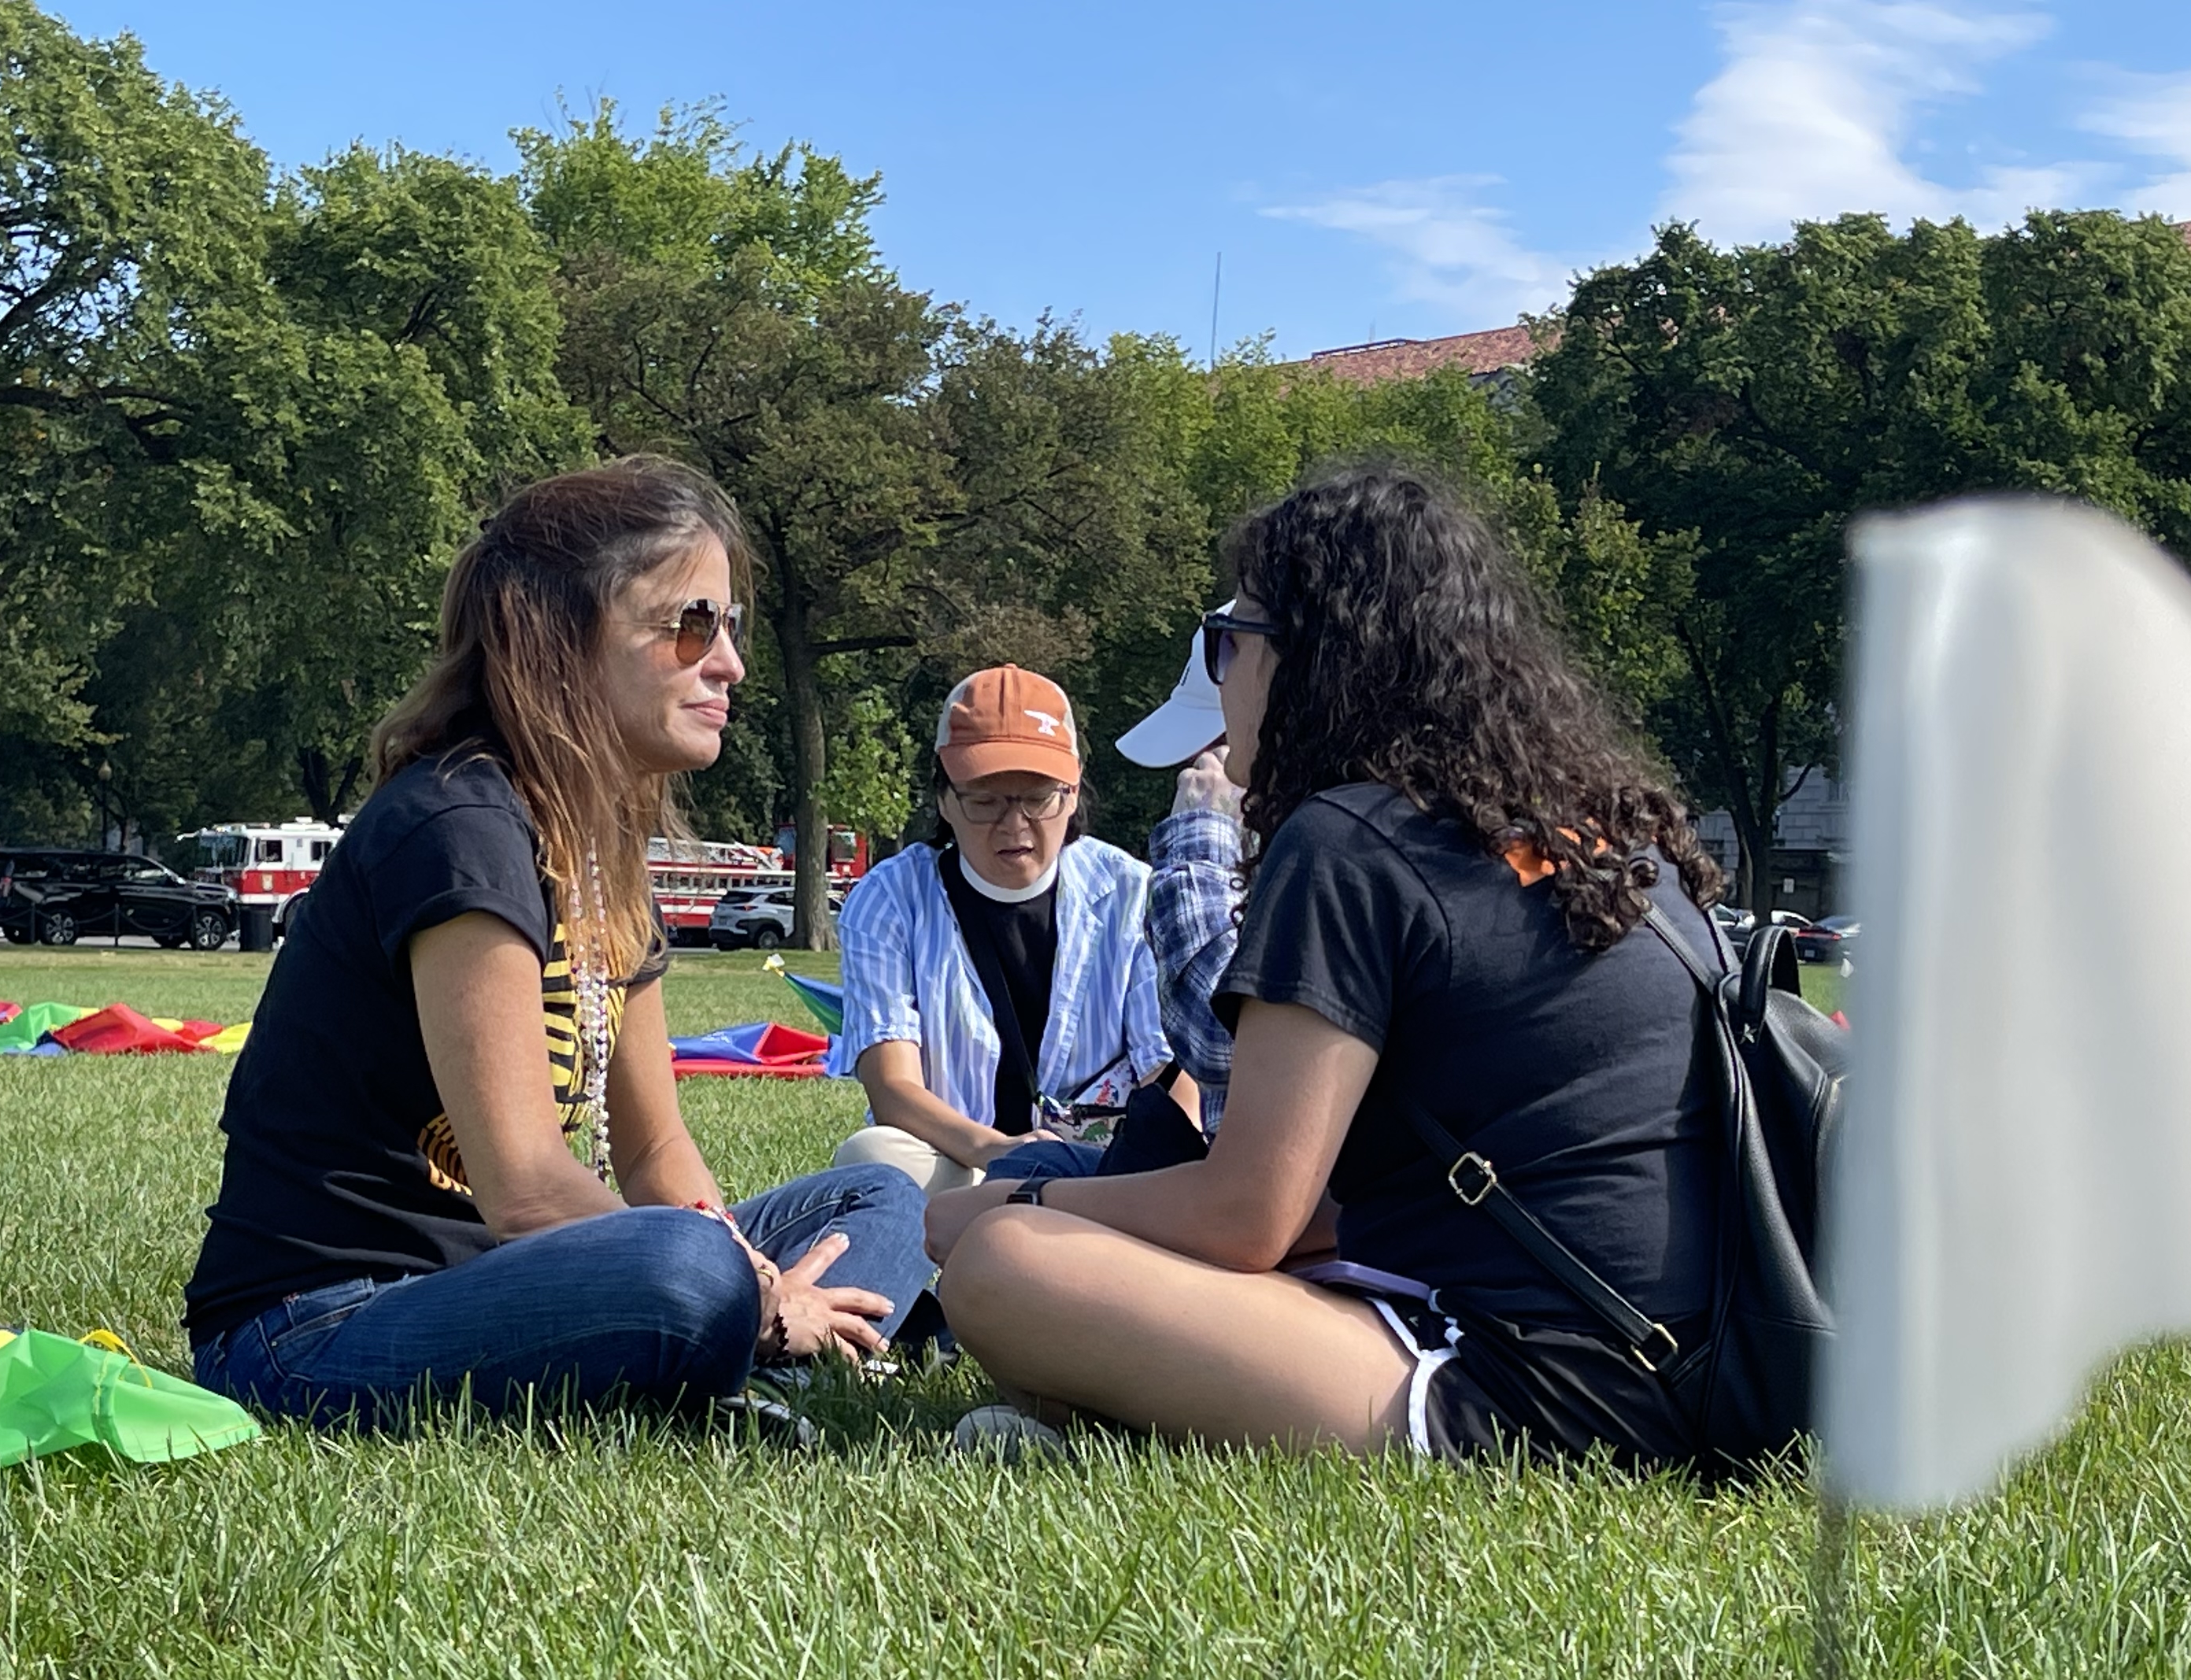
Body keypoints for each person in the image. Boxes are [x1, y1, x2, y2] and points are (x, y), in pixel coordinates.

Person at [927, 461, 1735, 1466]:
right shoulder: (1607, 834)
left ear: (1313, 658)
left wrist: (1021, 1202)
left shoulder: (1349, 842)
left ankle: (1115, 1414)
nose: (1223, 673)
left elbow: (1247, 1214)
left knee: (1002, 1268)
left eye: (1233, 637)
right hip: (1708, 1361)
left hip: (1529, 1389)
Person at [180, 460, 931, 1427]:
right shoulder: (458, 824)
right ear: (561, 641)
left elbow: (657, 1150)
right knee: (684, 1266)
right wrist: (756, 1290)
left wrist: (754, 1282)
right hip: (318, 1328)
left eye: (732, 629)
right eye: (693, 625)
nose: (730, 663)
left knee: (882, 1195)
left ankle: (757, 1355)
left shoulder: (602, 848)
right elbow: (528, 1190)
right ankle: (758, 1347)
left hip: (519, 1282)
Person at [827, 665, 1173, 1193]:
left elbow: (1167, 1077)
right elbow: (892, 1086)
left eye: (1037, 798)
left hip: (1102, 1172)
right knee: (871, 1158)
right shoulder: (889, 900)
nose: (1014, 826)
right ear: (944, 799)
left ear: (1073, 791)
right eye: (985, 801)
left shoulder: (1133, 894)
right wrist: (1000, 1152)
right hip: (963, 1163)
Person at [1119, 616, 1249, 1130]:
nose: (1194, 772)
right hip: (1232, 1179)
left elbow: (1220, 1036)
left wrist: (1202, 832)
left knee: (1007, 1211)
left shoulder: (1335, 847)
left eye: (1218, 746)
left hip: (1274, 1201)